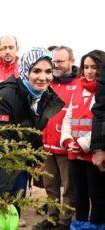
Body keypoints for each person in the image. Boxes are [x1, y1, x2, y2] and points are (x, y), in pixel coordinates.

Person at [0, 47, 64, 227]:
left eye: (48, 71)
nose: (43, 77)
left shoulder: (43, 97)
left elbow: (34, 129)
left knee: (14, 212)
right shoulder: (5, 97)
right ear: (25, 70)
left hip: (19, 162)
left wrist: (37, 156)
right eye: (36, 71)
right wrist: (4, 192)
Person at [60, 50, 105, 228]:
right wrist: (67, 140)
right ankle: (80, 222)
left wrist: (82, 144)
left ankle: (96, 224)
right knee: (80, 192)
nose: (89, 71)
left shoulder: (101, 92)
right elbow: (68, 117)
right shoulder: (78, 87)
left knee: (97, 193)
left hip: (93, 152)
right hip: (75, 152)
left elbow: (101, 121)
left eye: (94, 67)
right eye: (86, 67)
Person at [35, 46, 79, 230]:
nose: (57, 65)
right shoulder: (47, 83)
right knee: (50, 185)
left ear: (72, 61)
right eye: (55, 61)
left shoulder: (79, 83)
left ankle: (65, 221)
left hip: (66, 145)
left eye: (61, 61)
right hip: (47, 143)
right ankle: (52, 217)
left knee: (69, 187)